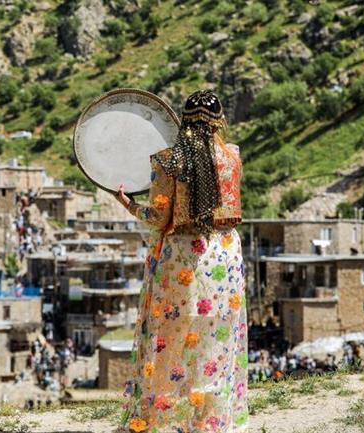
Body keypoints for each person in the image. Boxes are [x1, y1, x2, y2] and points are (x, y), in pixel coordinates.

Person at [116, 90, 247, 432]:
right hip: (225, 254)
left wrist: (128, 204)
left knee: (173, 335)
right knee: (216, 336)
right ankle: (211, 420)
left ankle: (167, 418)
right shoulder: (232, 156)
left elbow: (160, 216)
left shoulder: (169, 160)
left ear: (183, 121)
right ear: (220, 121)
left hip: (184, 260)